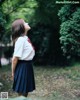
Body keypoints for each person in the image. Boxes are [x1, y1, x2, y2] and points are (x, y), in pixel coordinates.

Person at [11, 19, 35, 97]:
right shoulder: (21, 40)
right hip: (22, 67)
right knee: (22, 94)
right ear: (21, 27)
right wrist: (13, 72)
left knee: (25, 93)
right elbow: (15, 58)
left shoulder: (25, 38)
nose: (27, 23)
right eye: (25, 23)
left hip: (27, 66)